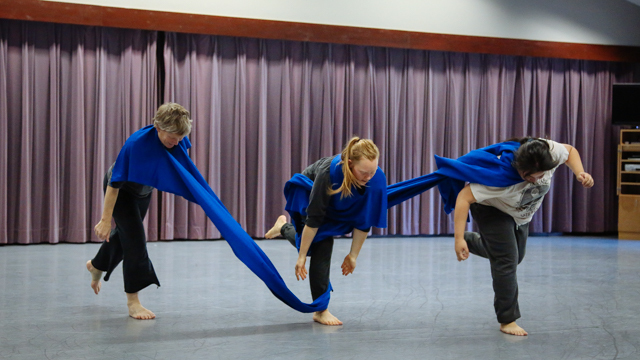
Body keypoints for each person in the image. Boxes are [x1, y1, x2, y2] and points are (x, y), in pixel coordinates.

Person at [453, 137, 594, 336]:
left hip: (519, 215)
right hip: (491, 209)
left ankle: (473, 241)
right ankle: (507, 320)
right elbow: (464, 196)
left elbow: (570, 151)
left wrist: (580, 172)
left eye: (540, 176)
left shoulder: (547, 153)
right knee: (507, 261)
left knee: (515, 256)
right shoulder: (499, 176)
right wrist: (457, 238)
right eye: (529, 177)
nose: (536, 180)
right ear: (519, 168)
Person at [86, 103, 192, 320]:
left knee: (126, 236)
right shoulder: (136, 144)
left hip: (143, 191)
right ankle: (133, 301)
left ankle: (96, 265)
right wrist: (105, 220)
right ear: (158, 128)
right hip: (121, 190)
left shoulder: (177, 138)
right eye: (173, 137)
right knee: (135, 241)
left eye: (180, 138)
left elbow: (182, 165)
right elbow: (114, 184)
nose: (177, 142)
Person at [265, 137, 387, 326]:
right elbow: (314, 221)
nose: (369, 177)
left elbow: (364, 219)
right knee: (322, 243)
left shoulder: (374, 178)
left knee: (318, 242)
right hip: (309, 191)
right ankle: (321, 310)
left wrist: (353, 255)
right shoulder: (328, 175)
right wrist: (302, 256)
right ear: (349, 164)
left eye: (373, 171)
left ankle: (282, 227)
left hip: (338, 201)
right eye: (364, 172)